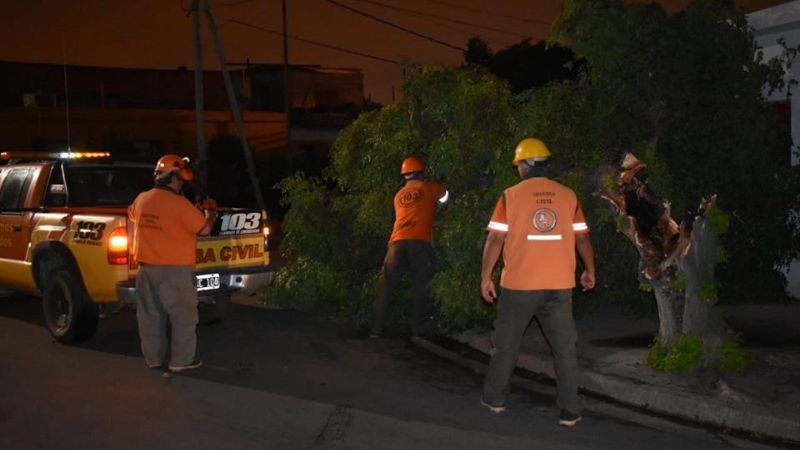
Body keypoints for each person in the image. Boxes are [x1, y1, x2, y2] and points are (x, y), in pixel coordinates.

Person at [479, 138, 595, 427]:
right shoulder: (568, 196)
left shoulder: (510, 196)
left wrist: (485, 277)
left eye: (518, 164)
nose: (517, 169)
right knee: (565, 349)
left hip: (519, 285)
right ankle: (571, 411)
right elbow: (582, 237)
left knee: (506, 345)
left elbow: (495, 238)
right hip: (559, 286)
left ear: (527, 165)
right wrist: (590, 270)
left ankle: (494, 400)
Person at [128, 154, 218, 372]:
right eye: (180, 180)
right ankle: (181, 361)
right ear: (173, 178)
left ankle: (154, 359)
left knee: (150, 317)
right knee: (183, 317)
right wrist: (211, 212)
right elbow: (205, 230)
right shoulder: (180, 204)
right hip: (175, 271)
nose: (181, 184)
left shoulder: (142, 199)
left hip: (146, 270)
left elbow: (133, 216)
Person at [369, 155, 449, 339]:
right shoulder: (430, 187)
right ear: (421, 173)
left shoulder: (398, 196)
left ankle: (375, 330)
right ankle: (419, 330)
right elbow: (445, 197)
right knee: (421, 285)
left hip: (396, 243)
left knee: (386, 287)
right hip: (419, 242)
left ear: (405, 176)